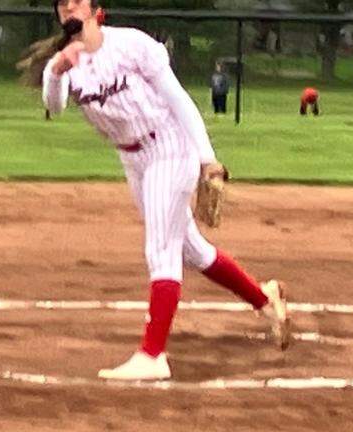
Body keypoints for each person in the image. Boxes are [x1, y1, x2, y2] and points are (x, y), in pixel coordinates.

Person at [39, 0, 290, 381]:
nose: (69, 6)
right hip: (133, 160)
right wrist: (57, 71)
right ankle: (264, 299)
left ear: (95, 9)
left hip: (169, 148)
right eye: (62, 3)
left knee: (161, 248)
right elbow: (53, 107)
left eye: (77, 0)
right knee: (192, 249)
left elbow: (179, 101)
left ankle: (153, 354)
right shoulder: (65, 62)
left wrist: (207, 159)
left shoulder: (131, 45)